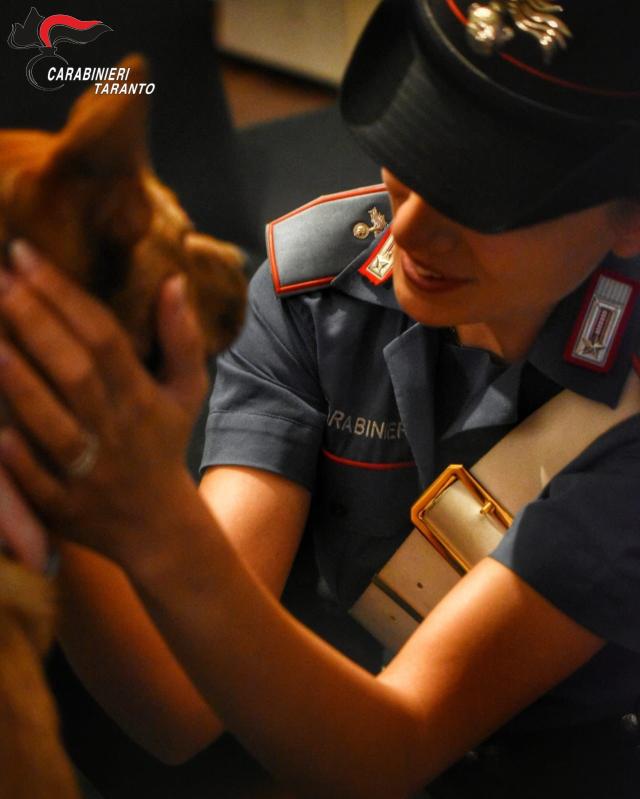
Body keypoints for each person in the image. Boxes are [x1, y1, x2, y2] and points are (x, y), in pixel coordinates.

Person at [1, 1, 640, 796]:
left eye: (481, 195)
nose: (409, 227)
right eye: (412, 149)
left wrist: (137, 498)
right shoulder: (315, 295)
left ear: (629, 216)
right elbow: (177, 704)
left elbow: (395, 748)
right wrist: (48, 446)